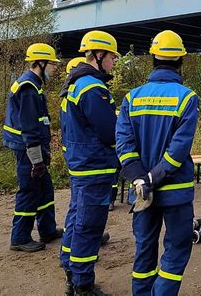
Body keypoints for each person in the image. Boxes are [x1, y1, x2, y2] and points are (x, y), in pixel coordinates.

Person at [116, 30, 199, 296]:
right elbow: (178, 149)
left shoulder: (132, 97)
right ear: (180, 60)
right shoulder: (186, 98)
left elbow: (124, 144)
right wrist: (154, 177)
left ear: (153, 58)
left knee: (144, 250)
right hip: (175, 192)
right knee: (175, 252)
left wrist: (140, 178)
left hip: (142, 193)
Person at [59, 30, 119, 296]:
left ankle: (71, 269)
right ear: (98, 55)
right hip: (95, 165)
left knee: (76, 218)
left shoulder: (77, 83)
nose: (113, 62)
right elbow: (109, 132)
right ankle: (83, 284)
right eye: (111, 57)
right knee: (90, 226)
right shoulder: (93, 88)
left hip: (82, 163)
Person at [3, 43, 63, 252]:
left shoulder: (32, 83)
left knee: (45, 188)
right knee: (29, 190)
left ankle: (47, 229)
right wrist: (37, 158)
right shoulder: (28, 88)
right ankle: (19, 237)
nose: (54, 68)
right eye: (52, 64)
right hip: (27, 148)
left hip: (31, 147)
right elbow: (29, 126)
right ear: (40, 63)